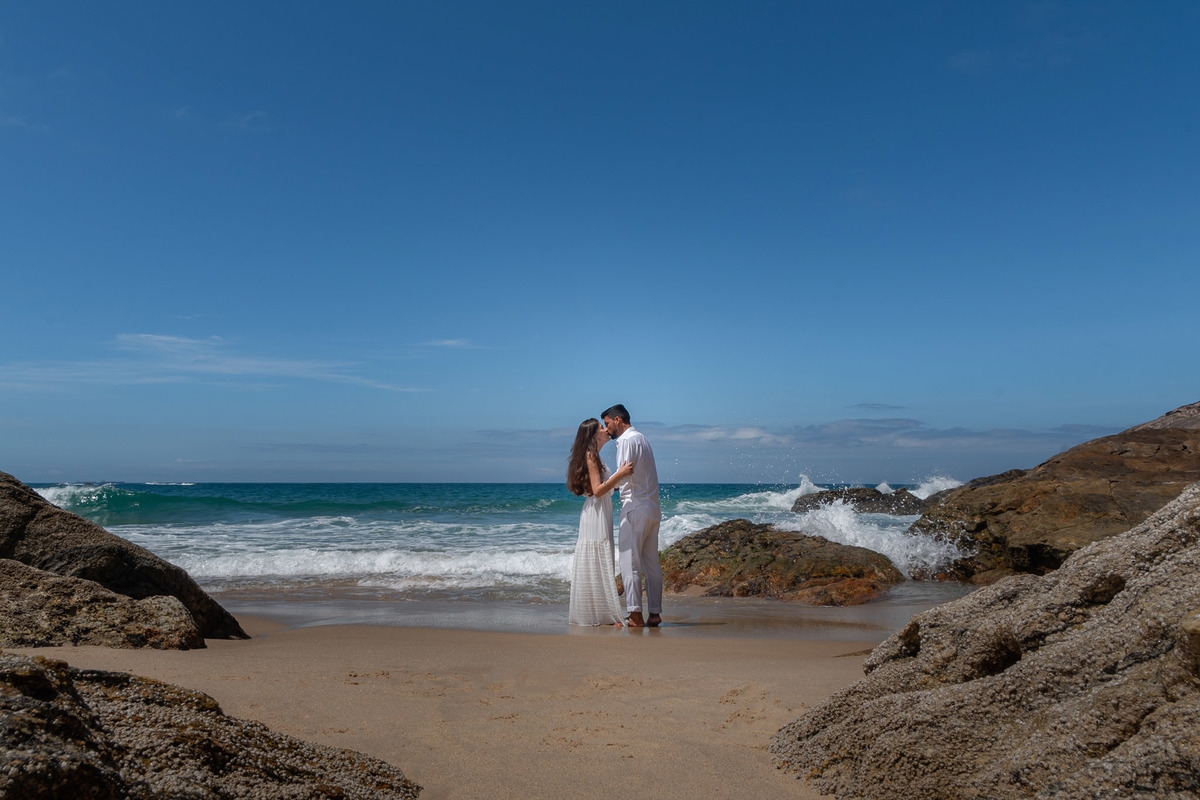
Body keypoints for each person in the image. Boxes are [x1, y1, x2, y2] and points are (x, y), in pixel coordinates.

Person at [566, 418, 634, 627]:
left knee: (598, 557)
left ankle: (599, 613)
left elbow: (604, 488)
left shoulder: (595, 456)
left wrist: (619, 482)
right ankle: (602, 615)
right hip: (595, 511)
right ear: (594, 435)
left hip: (597, 510)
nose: (606, 430)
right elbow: (597, 490)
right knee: (598, 556)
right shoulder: (590, 456)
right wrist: (619, 474)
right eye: (601, 428)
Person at [601, 404, 662, 627]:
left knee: (629, 563)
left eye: (607, 423)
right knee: (651, 564)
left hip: (634, 507)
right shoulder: (642, 438)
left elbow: (625, 475)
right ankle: (654, 613)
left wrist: (604, 487)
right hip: (652, 508)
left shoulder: (626, 440)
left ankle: (635, 614)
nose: (607, 429)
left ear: (618, 419)